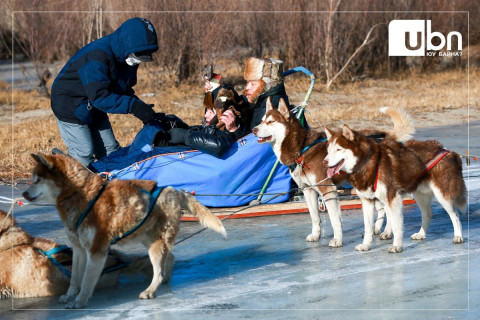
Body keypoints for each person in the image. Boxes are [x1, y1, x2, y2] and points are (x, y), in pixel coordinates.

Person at [51, 17, 159, 167]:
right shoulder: (96, 56)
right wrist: (133, 106)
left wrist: (143, 109)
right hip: (69, 104)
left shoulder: (127, 56)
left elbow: (123, 89)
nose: (137, 61)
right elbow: (100, 96)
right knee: (84, 152)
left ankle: (107, 182)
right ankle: (61, 176)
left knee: (111, 151)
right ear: (127, 43)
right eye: (137, 56)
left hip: (94, 104)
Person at [242, 57, 291, 129]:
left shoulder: (270, 106)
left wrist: (235, 128)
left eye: (253, 84)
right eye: (247, 83)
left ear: (267, 86)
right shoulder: (263, 100)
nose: (247, 88)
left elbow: (255, 138)